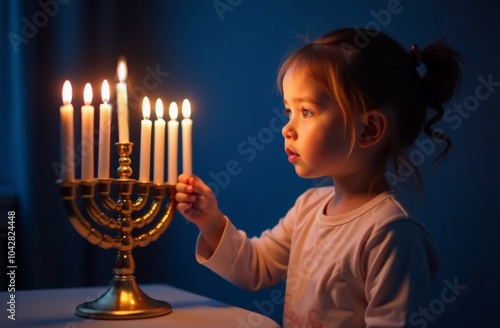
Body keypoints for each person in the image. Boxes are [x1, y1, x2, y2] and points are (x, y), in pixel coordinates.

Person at [175, 27, 462, 327]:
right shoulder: (308, 207)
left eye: (307, 111)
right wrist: (210, 222)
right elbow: (255, 267)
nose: (287, 128)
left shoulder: (390, 234)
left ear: (368, 130)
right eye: (289, 111)